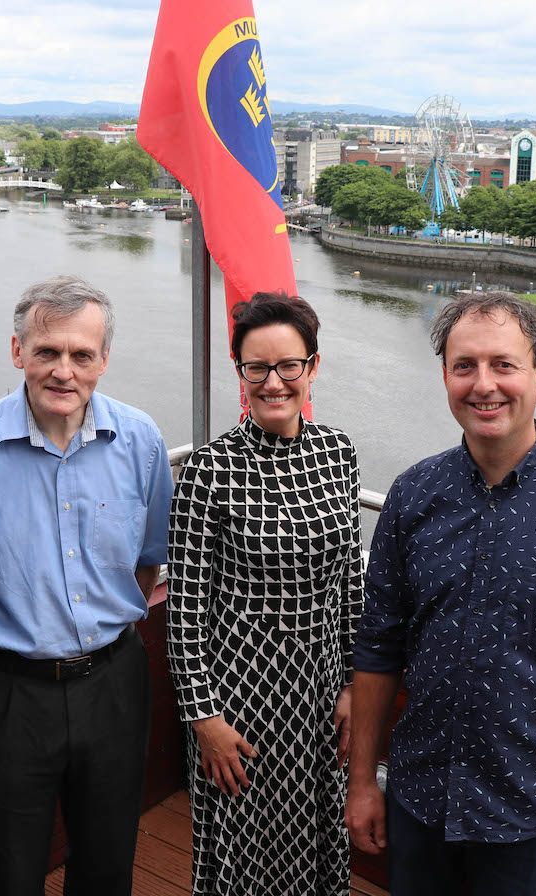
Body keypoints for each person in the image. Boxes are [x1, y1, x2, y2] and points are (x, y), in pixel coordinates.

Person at [346, 291, 536, 896]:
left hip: (530, 819)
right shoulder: (413, 497)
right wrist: (363, 782)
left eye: (503, 365)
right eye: (465, 366)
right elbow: (378, 648)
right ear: (444, 377)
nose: (483, 384)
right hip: (420, 799)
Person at [0, 275, 172, 896]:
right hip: (7, 697)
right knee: (14, 871)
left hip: (114, 684)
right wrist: (17, 639)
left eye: (82, 355)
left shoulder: (141, 443)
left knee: (108, 864)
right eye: (47, 351)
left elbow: (147, 565)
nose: (64, 370)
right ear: (17, 352)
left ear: (103, 360)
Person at [167, 291, 362, 896]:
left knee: (315, 842)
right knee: (242, 855)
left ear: (313, 367)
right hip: (240, 699)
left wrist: (355, 684)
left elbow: (350, 581)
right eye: (257, 368)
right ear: (240, 373)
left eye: (288, 366)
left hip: (319, 693)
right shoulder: (208, 470)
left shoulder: (339, 453)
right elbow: (185, 611)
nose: (273, 382)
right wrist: (204, 719)